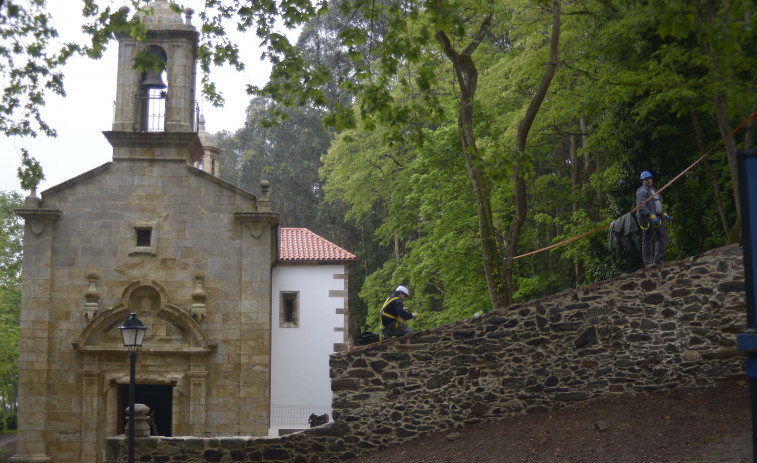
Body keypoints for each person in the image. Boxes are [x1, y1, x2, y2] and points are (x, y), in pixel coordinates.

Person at [636, 170, 670, 268]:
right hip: (648, 219)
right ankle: (648, 263)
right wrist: (650, 215)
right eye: (646, 179)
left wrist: (664, 214)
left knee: (662, 237)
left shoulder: (654, 190)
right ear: (643, 181)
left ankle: (658, 260)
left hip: (658, 218)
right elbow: (641, 206)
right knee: (647, 240)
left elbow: (656, 204)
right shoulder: (642, 191)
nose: (649, 181)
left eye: (650, 178)